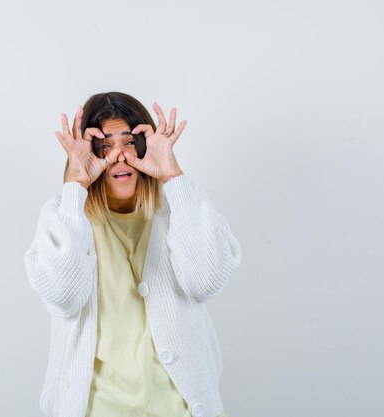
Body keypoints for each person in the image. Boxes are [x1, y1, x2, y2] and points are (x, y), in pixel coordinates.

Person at [23, 92, 242, 417]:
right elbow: (63, 298)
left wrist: (172, 177)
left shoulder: (180, 209)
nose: (119, 156)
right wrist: (75, 186)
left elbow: (206, 281)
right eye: (104, 146)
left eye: (130, 142)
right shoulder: (64, 216)